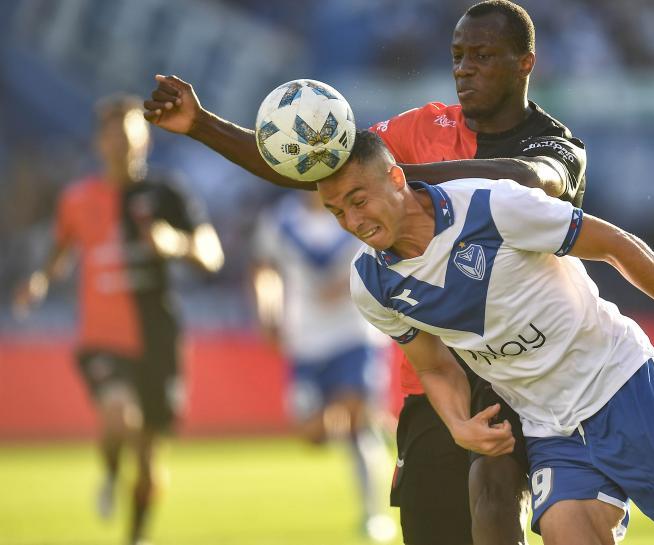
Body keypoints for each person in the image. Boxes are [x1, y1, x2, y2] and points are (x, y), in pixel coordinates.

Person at [143, 2, 585, 543]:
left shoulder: (555, 143)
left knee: (500, 498)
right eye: (457, 56)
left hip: (529, 371)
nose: (464, 68)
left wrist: (395, 178)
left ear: (525, 62)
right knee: (431, 528)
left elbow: (531, 180)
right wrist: (202, 124)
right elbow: (316, 169)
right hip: (437, 376)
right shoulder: (422, 127)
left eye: (482, 56)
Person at [319, 129, 654, 545]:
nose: (353, 221)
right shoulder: (371, 284)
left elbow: (617, 246)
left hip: (622, 384)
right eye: (337, 211)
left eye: (359, 200)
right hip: (548, 425)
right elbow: (434, 366)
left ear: (396, 178)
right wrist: (458, 423)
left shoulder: (490, 206)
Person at [12, 95, 224, 545]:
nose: (121, 144)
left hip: (158, 334)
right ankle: (110, 472)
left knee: (148, 460)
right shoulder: (77, 199)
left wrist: (175, 244)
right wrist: (39, 281)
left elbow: (212, 254)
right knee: (118, 416)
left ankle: (136, 537)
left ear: (145, 140)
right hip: (102, 335)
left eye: (129, 134)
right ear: (99, 143)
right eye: (112, 135)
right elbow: (59, 251)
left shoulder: (167, 193)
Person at [251, 190, 396, 541]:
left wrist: (348, 285)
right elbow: (264, 269)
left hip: (355, 333)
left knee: (355, 422)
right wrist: (268, 312)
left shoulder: (354, 212)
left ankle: (373, 515)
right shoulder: (280, 220)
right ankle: (386, 428)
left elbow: (386, 258)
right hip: (306, 339)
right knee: (314, 434)